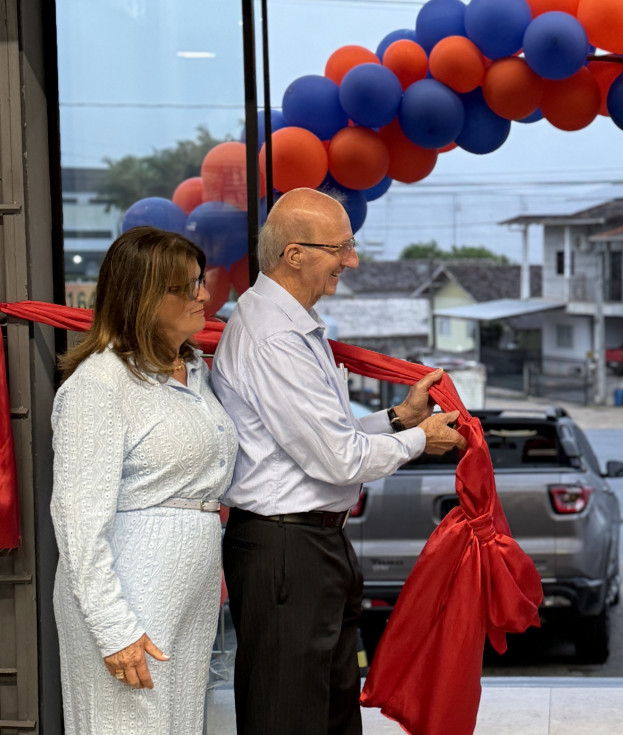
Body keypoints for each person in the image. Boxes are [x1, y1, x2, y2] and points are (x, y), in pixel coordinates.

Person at [212, 188, 466, 735]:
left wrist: (399, 419)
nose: (351, 261)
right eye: (341, 248)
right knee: (290, 715)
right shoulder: (275, 338)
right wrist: (421, 440)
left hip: (310, 544)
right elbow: (339, 460)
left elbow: (328, 436)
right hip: (287, 549)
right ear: (294, 253)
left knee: (329, 708)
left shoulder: (291, 325)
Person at [50, 226, 237, 734]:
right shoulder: (99, 385)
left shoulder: (194, 371)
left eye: (200, 281)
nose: (204, 295)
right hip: (130, 593)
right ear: (143, 296)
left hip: (189, 593)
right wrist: (113, 629)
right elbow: (77, 523)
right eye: (186, 286)